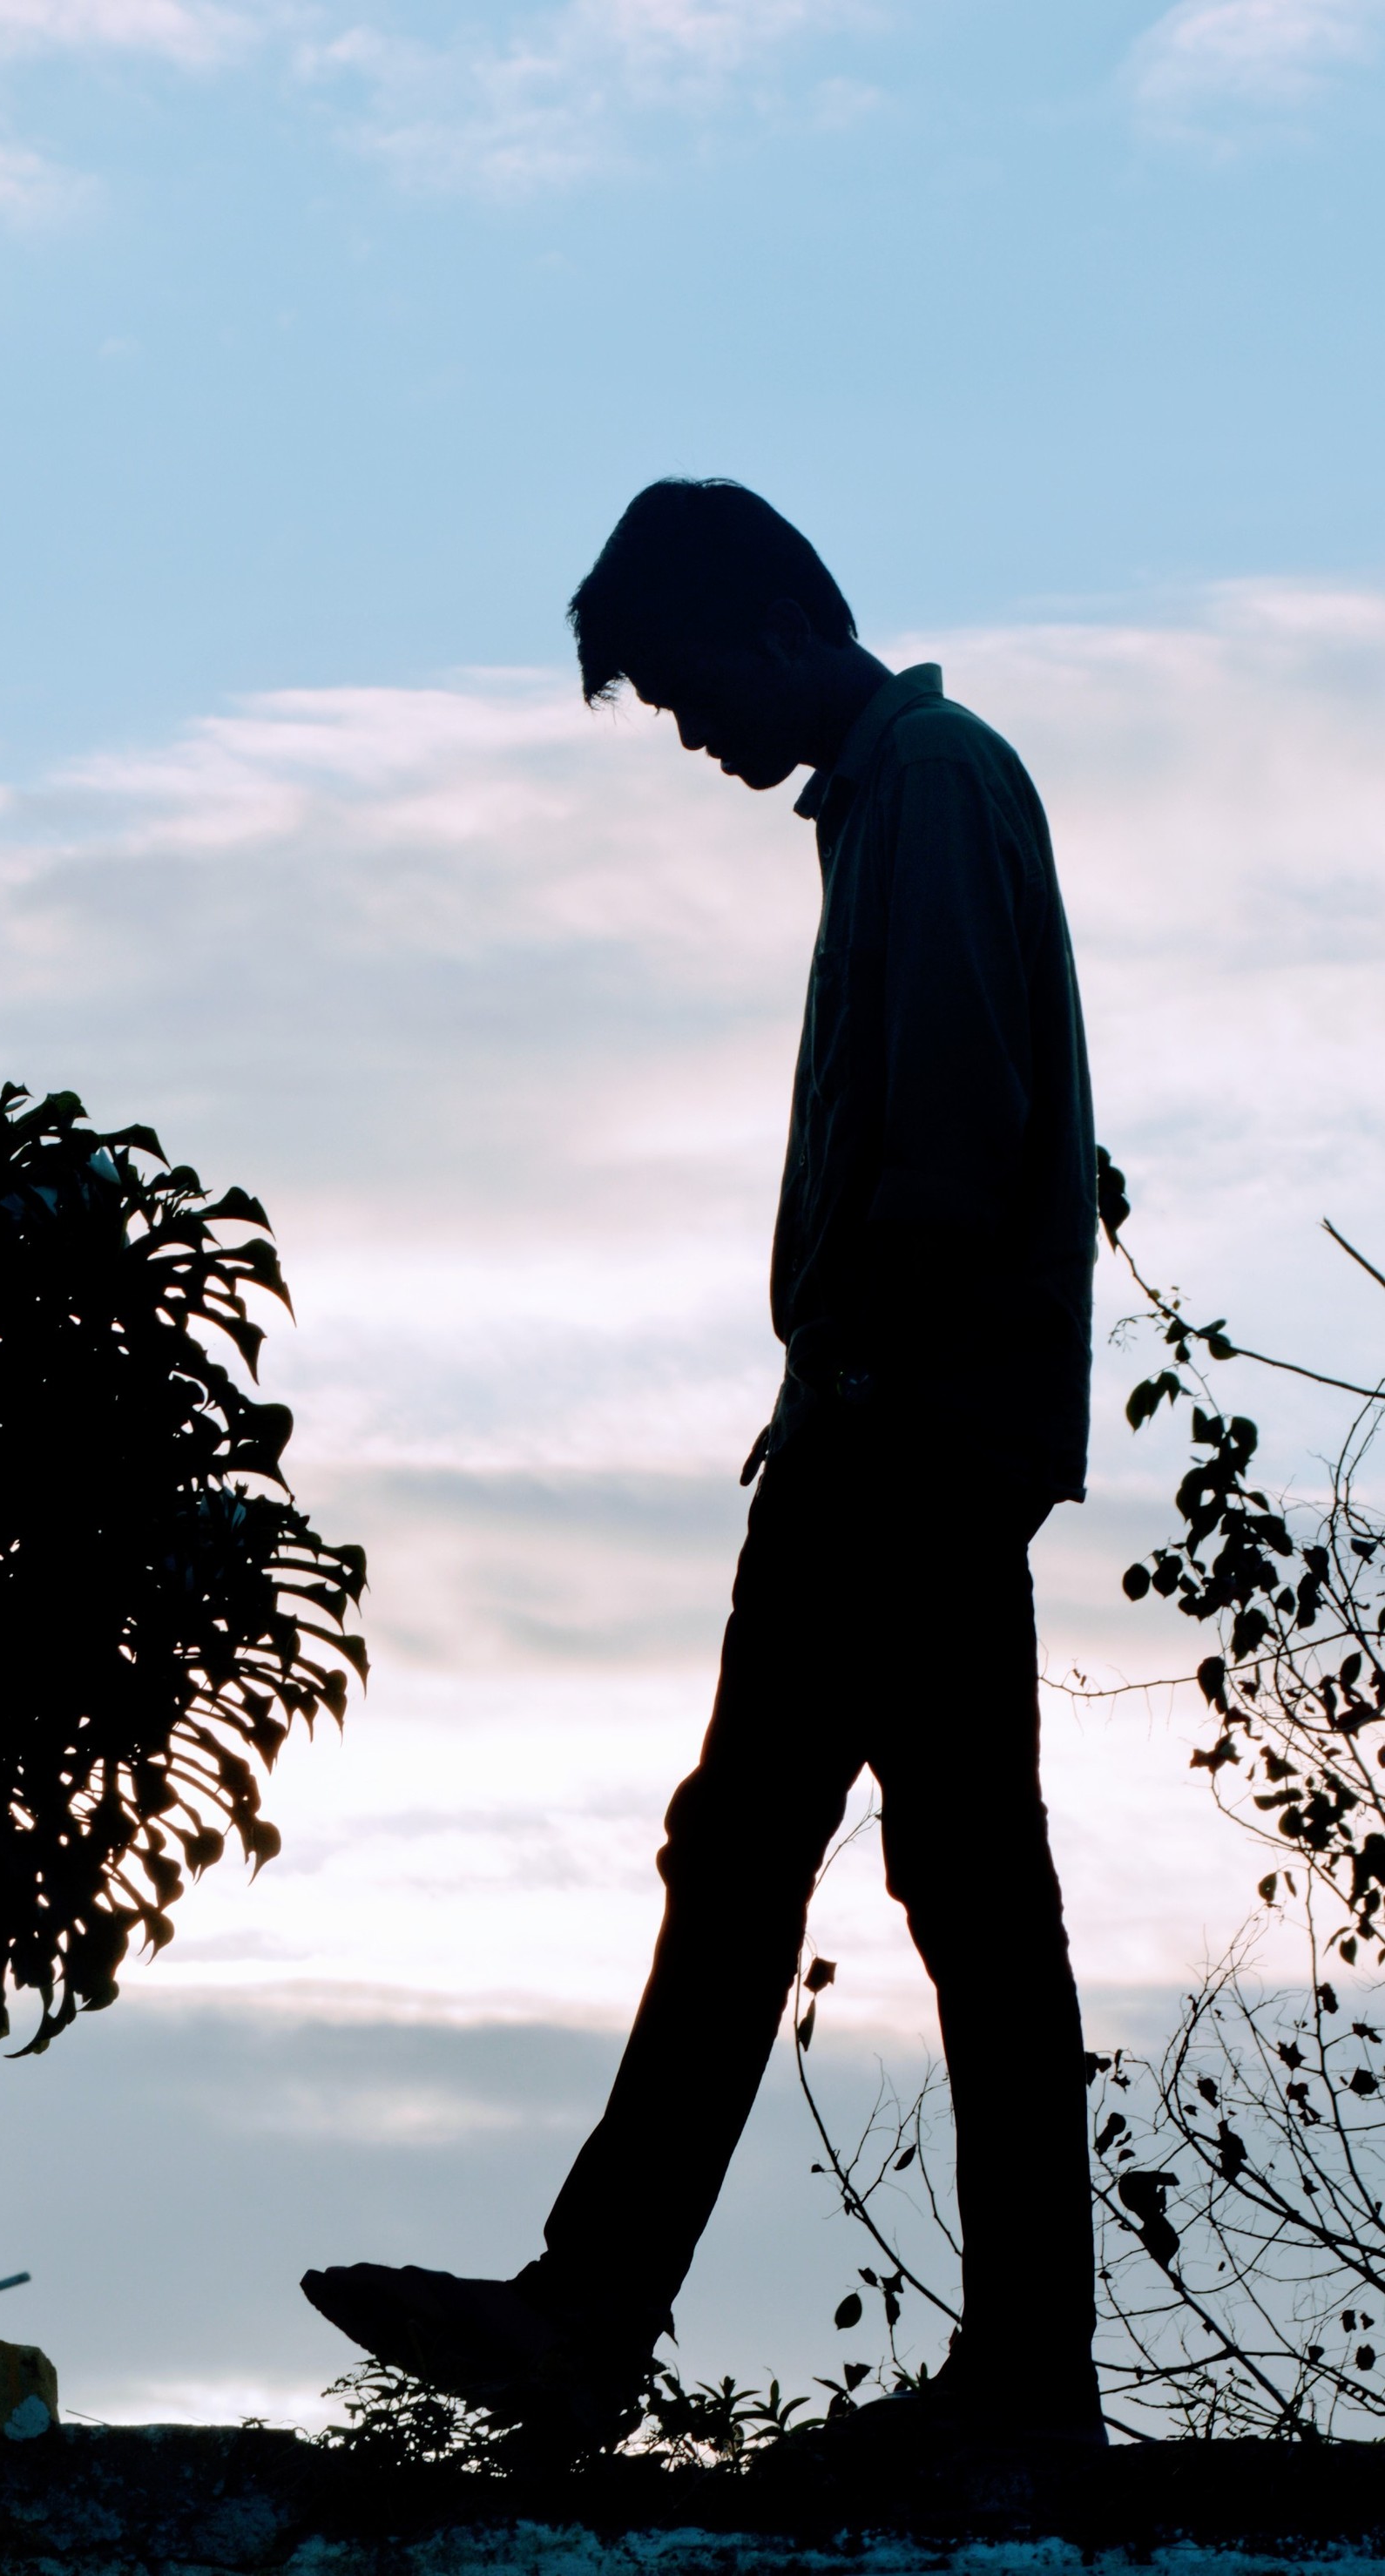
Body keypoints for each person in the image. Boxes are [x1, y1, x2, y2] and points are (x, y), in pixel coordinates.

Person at [303, 478, 1102, 2449]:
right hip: (931, 1422)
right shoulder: (915, 784)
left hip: (895, 1429)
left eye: (681, 691)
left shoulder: (919, 781)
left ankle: (600, 2323)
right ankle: (1011, 2376)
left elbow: (945, 1122)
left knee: (759, 1857)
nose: (691, 737)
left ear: (769, 621)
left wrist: (851, 1392)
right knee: (950, 1891)